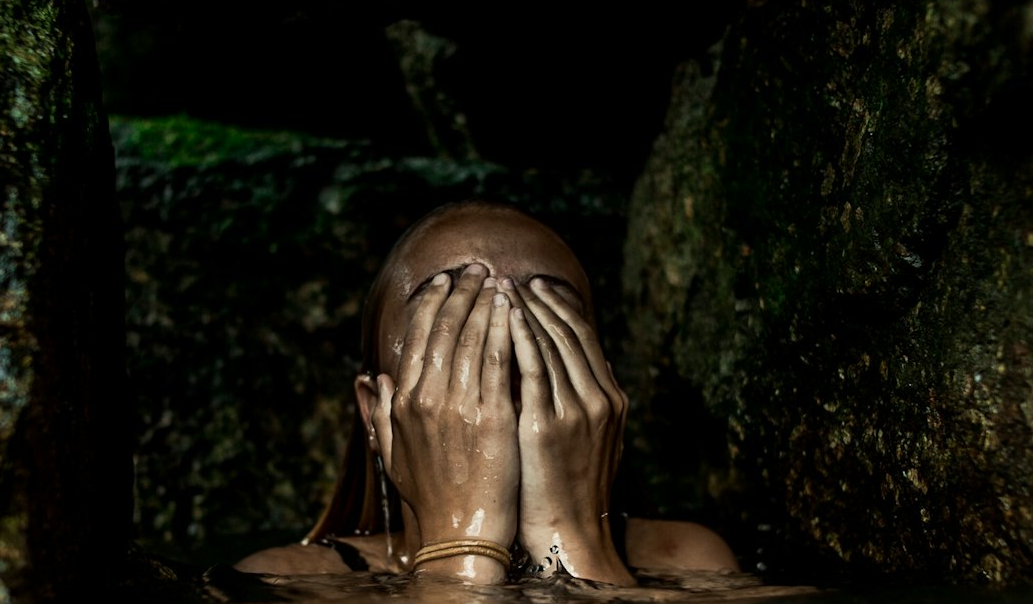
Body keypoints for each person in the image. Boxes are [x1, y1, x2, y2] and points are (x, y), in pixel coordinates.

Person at [235, 201, 737, 584]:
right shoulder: (288, 586)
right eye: (452, 330)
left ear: (605, 396)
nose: (502, 354)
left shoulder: (687, 559)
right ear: (374, 412)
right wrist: (461, 548)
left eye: (543, 322)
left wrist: (575, 542)